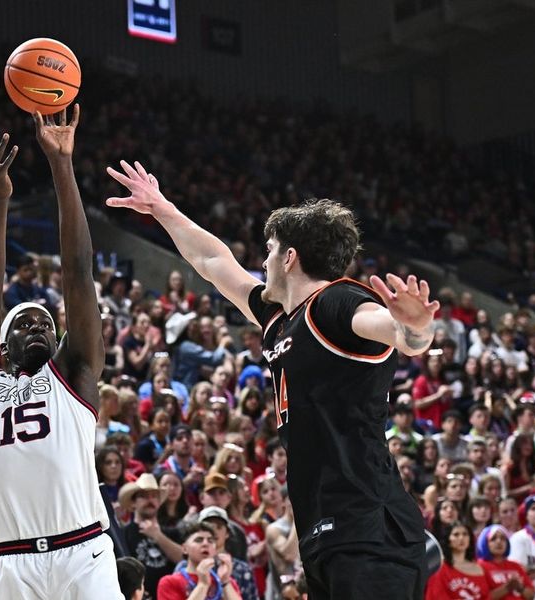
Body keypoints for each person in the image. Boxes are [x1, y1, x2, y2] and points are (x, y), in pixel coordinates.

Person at [107, 163, 435, 598]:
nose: (262, 260)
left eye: (269, 249)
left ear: (290, 257)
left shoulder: (335, 302)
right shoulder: (277, 318)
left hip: (369, 525)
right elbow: (212, 261)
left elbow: (394, 332)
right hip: (326, 529)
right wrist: (162, 208)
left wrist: (415, 328)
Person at [0, 109, 121, 599]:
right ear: (2, 348)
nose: (38, 327)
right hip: (13, 563)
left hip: (83, 554)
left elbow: (76, 271)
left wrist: (61, 165)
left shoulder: (75, 372)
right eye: (24, 323)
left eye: (47, 324)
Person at [155, 522, 241, 600]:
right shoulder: (170, 582)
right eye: (198, 540)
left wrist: (225, 581)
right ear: (185, 548)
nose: (205, 544)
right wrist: (203, 585)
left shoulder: (226, 581)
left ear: (215, 550)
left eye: (210, 541)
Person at [425, 522, 491, 600]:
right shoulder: (440, 566)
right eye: (456, 534)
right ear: (448, 540)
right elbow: (434, 595)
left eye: (465, 534)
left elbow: (486, 596)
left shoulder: (479, 568)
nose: (461, 538)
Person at [475, 524, 535, 599]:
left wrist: (520, 588)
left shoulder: (515, 565)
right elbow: (482, 597)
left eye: (503, 538)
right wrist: (507, 587)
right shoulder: (479, 566)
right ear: (485, 543)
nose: (499, 542)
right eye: (493, 539)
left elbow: (531, 596)